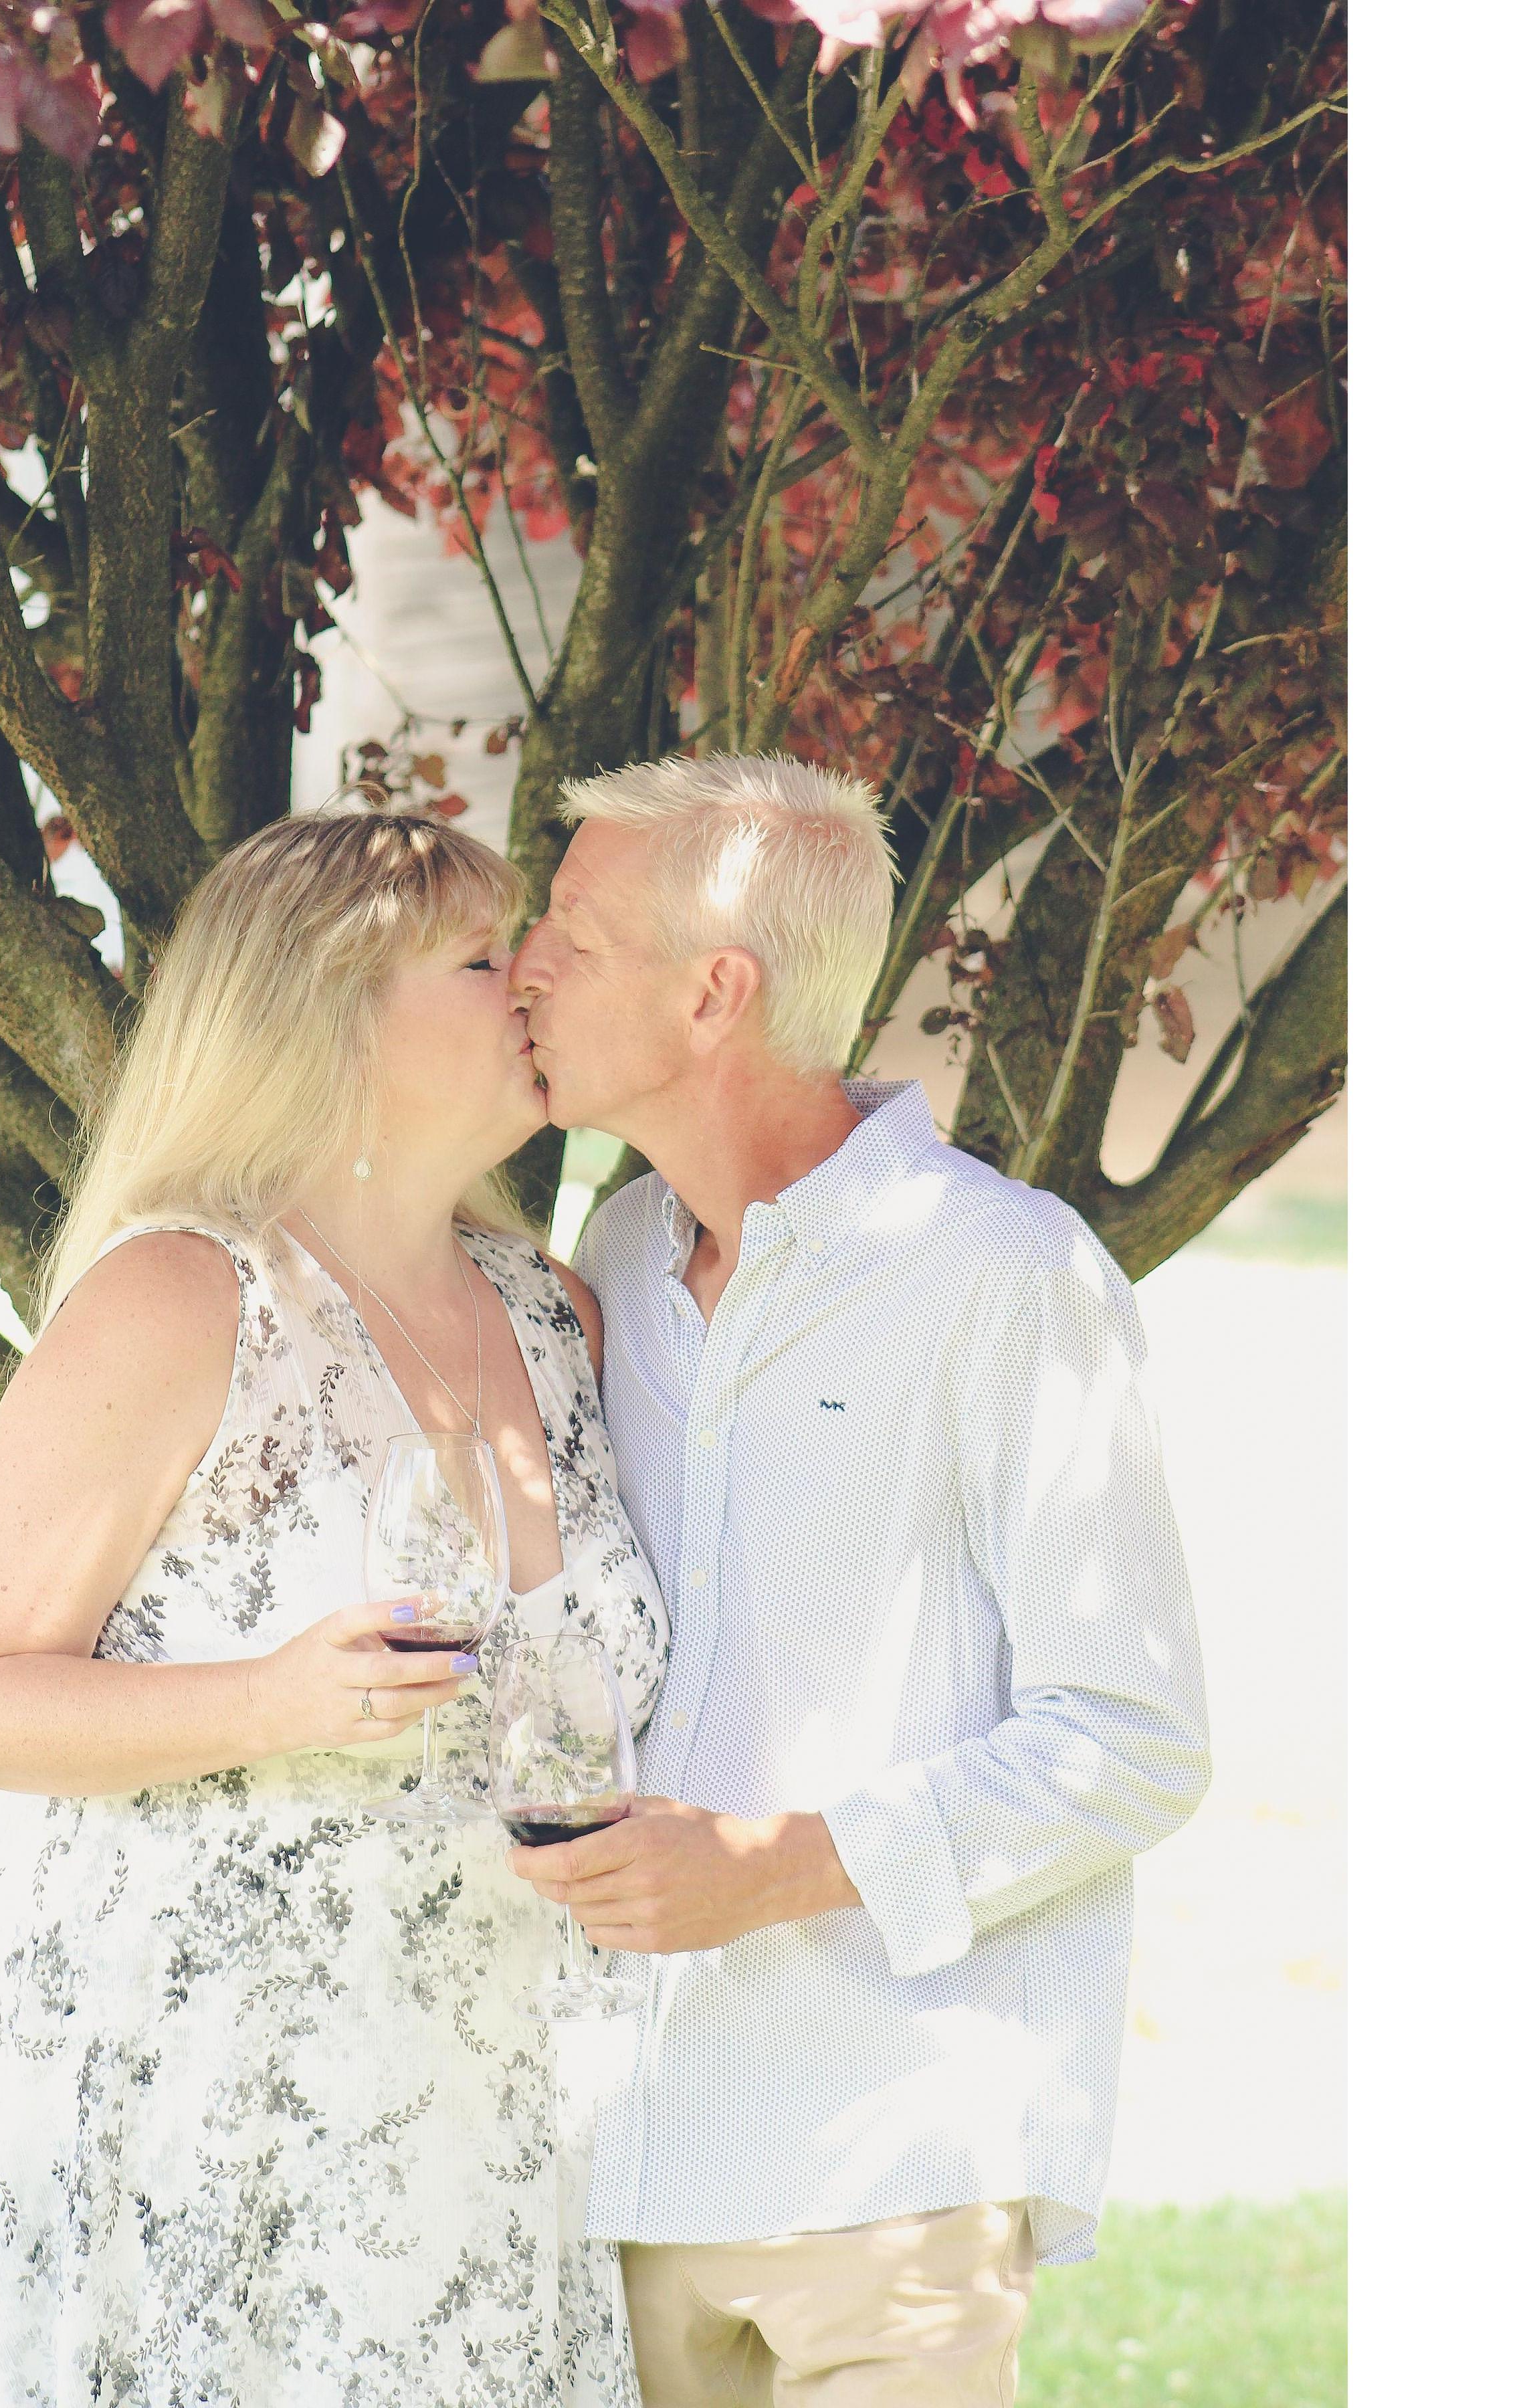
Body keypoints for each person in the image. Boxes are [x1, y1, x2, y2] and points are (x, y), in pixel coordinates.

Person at [0, 803, 670, 2408]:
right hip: (203, 2108)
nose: (526, 977)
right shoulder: (177, 1299)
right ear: (332, 1011)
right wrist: (274, 1703)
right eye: (476, 955)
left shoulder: (560, 1308)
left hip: (496, 2113)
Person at [504, 754, 1211, 2407]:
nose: (526, 965)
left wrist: (779, 1866)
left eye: (572, 932)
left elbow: (1135, 1738)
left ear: (714, 994)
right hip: (620, 2166)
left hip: (894, 2168)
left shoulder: (1011, 1279)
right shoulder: (620, 1258)